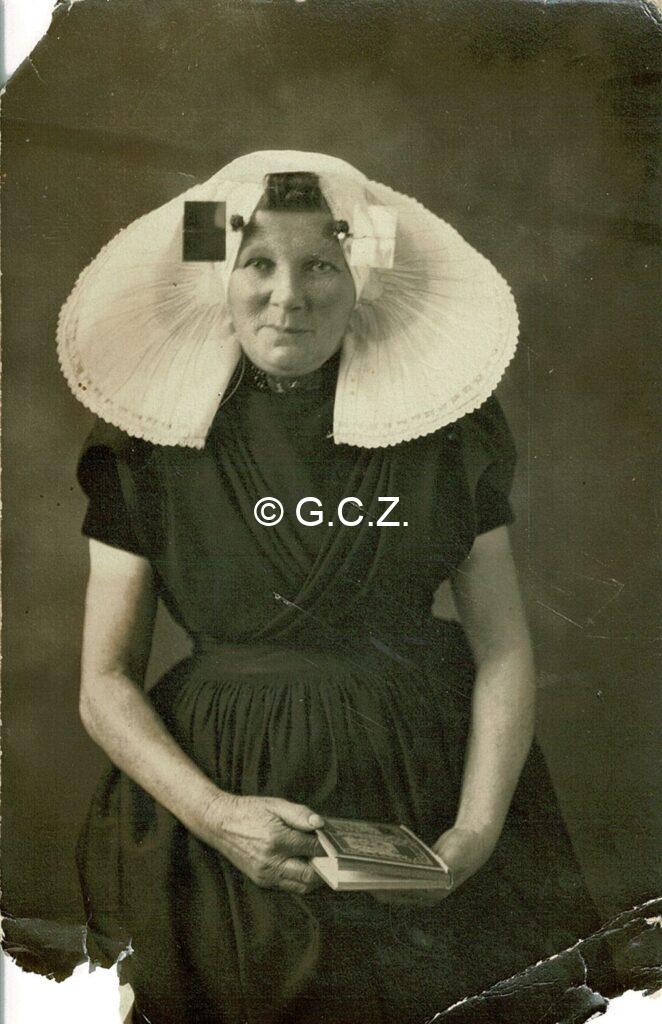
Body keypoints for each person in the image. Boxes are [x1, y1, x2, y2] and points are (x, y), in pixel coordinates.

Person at [57, 151, 601, 1024]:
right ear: (216, 276)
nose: (288, 296)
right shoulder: (145, 439)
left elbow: (502, 646)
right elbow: (104, 681)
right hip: (217, 805)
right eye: (258, 264)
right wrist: (217, 816)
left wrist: (473, 835)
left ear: (363, 279)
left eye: (320, 265)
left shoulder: (443, 427)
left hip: (426, 785)